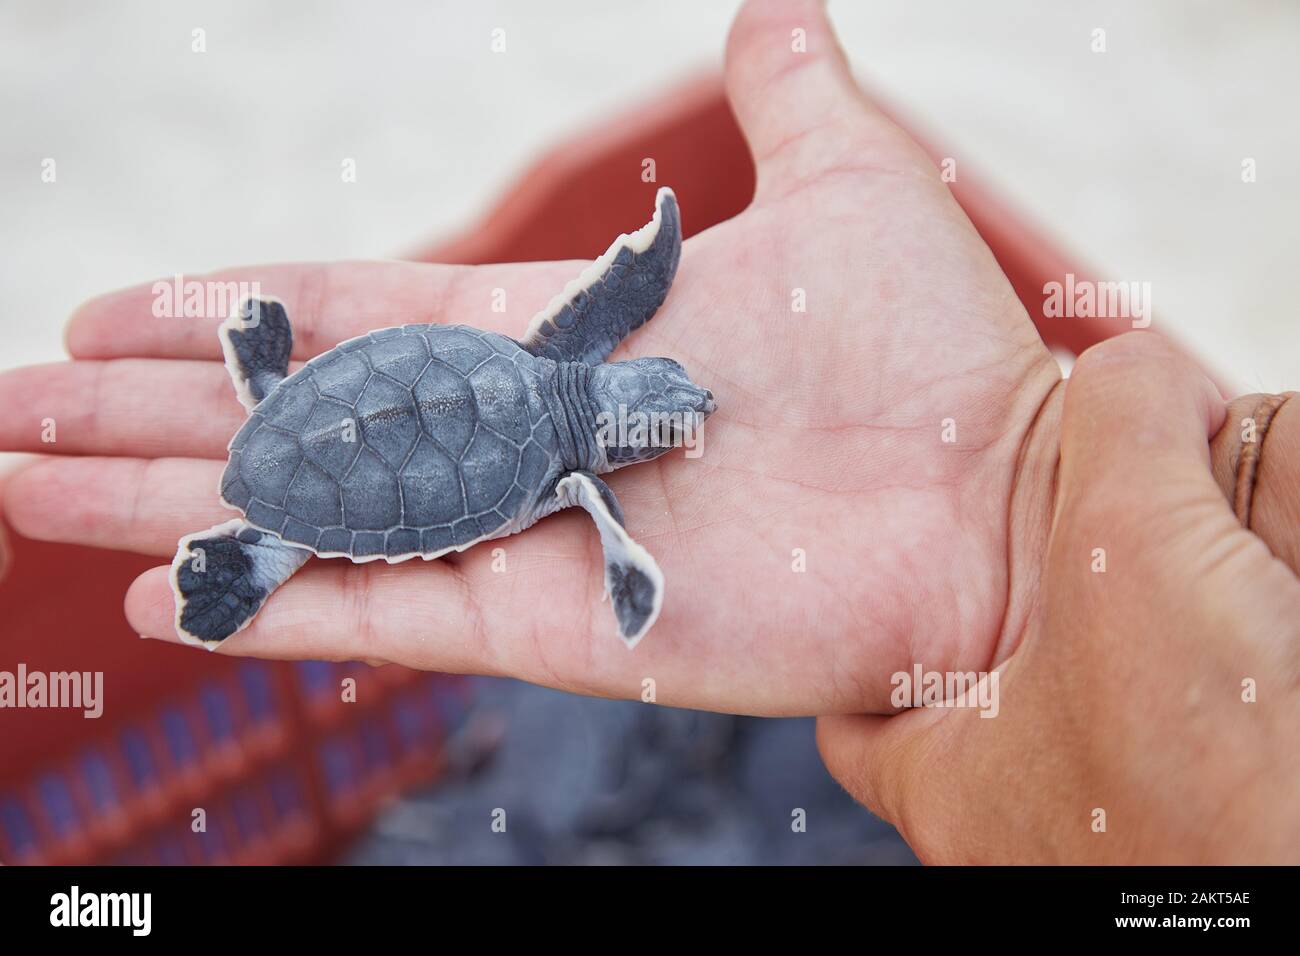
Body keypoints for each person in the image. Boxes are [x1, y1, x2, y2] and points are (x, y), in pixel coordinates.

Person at [0, 0, 1294, 862]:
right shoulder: (567, 467)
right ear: (602, 446)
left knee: (373, 417)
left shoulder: (562, 365)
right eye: (652, 420)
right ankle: (261, 531)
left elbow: (608, 327)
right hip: (411, 445)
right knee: (310, 507)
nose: (667, 427)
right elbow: (619, 451)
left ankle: (266, 416)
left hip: (416, 398)